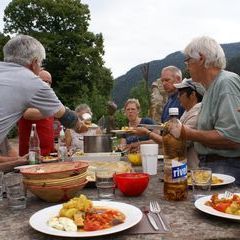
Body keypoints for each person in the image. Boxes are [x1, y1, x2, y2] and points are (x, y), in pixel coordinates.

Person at [0, 34, 87, 148]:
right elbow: (66, 117)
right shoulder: (32, 82)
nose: (40, 68)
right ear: (34, 62)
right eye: (40, 63)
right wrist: (79, 126)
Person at [180, 36, 240, 183]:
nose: (187, 66)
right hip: (214, 165)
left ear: (201, 58)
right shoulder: (210, 88)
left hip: (226, 167)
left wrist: (188, 133)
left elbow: (232, 137)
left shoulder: (225, 82)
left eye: (188, 60)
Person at [134, 78, 205, 170]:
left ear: (192, 95)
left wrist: (148, 133)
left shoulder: (196, 114)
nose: (178, 97)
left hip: (191, 170)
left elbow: (174, 143)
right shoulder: (188, 112)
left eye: (181, 94)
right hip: (182, 168)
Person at [18, 70, 55, 156]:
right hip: (30, 156)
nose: (47, 84)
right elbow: (26, 114)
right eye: (44, 81)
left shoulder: (47, 101)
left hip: (48, 155)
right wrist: (52, 110)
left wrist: (53, 148)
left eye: (49, 82)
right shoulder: (27, 96)